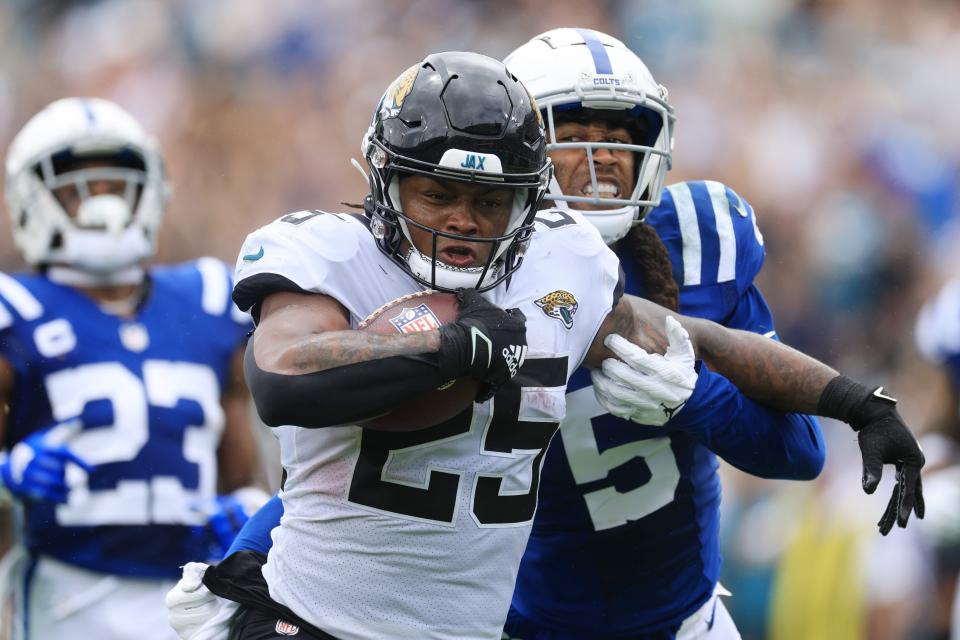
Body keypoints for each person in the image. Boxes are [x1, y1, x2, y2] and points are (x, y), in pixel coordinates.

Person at [168, 52, 923, 640]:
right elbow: (285, 382)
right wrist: (450, 351)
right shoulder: (334, 259)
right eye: (436, 192)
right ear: (387, 183)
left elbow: (701, 342)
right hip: (334, 621)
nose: (461, 220)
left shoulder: (563, 268)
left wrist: (855, 402)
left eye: (489, 200)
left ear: (527, 201)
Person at [497, 28, 824, 639]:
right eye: (575, 138)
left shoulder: (695, 246)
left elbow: (802, 450)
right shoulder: (472, 271)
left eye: (619, 139)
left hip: (686, 623)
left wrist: (694, 398)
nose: (605, 158)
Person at [0, 97, 265, 640]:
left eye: (115, 185)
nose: (103, 206)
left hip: (195, 592)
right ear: (32, 198)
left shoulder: (207, 297)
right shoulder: (15, 311)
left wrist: (246, 510)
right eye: (78, 188)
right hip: (70, 593)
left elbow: (241, 475)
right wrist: (8, 476)